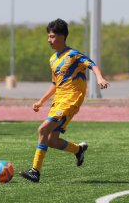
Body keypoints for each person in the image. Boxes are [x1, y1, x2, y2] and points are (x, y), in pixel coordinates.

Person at [20, 19, 109, 183]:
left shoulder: (73, 55)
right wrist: (41, 101)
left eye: (52, 36)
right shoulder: (53, 59)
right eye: (48, 36)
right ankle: (78, 149)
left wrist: (100, 78)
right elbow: (55, 84)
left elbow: (92, 64)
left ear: (62, 37)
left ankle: (35, 172)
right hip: (58, 100)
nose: (49, 40)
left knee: (42, 130)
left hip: (71, 99)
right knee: (52, 140)